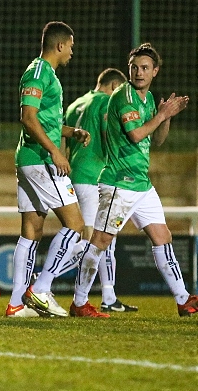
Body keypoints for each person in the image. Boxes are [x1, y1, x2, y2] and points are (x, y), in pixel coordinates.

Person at [71, 43, 196, 318]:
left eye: (145, 68)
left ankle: (184, 299)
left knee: (162, 236)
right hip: (119, 182)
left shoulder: (148, 99)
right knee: (100, 241)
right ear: (129, 69)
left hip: (140, 183)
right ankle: (79, 302)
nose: (139, 72)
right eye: (135, 67)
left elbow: (157, 141)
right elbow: (135, 136)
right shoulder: (124, 96)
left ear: (155, 72)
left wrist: (166, 117)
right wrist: (162, 115)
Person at [7, 21, 90, 318]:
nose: (71, 52)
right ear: (59, 45)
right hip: (40, 160)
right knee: (76, 226)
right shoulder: (39, 73)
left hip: (30, 158)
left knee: (32, 230)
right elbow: (28, 118)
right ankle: (41, 289)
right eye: (70, 46)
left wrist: (70, 133)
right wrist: (55, 151)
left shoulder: (45, 74)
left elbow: (45, 121)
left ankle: (17, 303)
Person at [62, 67, 138, 313]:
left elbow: (64, 138)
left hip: (75, 173)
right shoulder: (107, 102)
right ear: (115, 86)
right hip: (96, 175)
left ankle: (109, 295)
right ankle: (44, 277)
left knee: (102, 239)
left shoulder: (76, 104)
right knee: (94, 240)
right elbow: (108, 135)